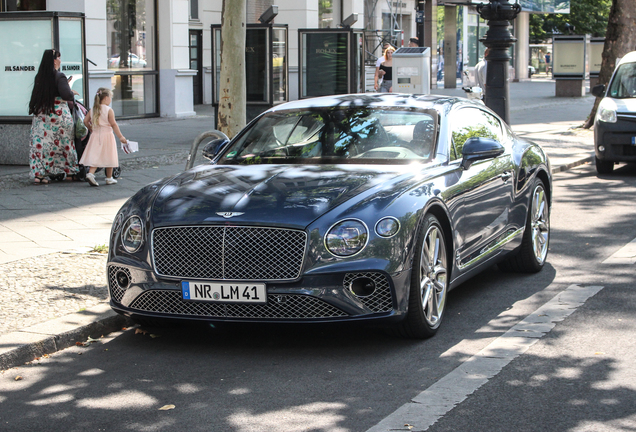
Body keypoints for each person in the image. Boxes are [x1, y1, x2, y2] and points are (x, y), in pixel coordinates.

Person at [28, 49, 80, 184]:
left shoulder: (39, 77)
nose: (60, 60)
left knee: (42, 145)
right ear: (54, 60)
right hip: (58, 115)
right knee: (65, 143)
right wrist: (71, 92)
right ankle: (69, 172)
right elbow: (66, 95)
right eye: (59, 57)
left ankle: (39, 174)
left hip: (42, 115)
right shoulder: (59, 76)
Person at [80, 88, 127, 187]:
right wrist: (121, 137)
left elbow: (85, 121)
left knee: (96, 155)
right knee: (109, 155)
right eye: (110, 98)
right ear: (106, 98)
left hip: (95, 135)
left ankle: (90, 174)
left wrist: (91, 128)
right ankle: (109, 178)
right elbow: (113, 124)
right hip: (107, 135)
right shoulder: (109, 110)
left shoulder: (93, 109)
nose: (111, 100)